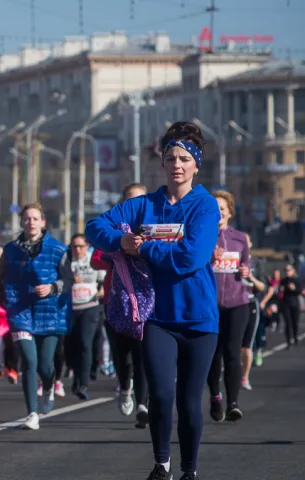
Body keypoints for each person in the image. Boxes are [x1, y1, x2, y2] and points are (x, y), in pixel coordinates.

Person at [86, 121, 220, 480]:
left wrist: (146, 247)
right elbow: (94, 228)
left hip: (198, 319)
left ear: (196, 165)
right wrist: (122, 242)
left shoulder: (205, 207)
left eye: (184, 159)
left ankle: (189, 470)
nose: (177, 164)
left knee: (190, 402)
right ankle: (162, 466)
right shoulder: (144, 205)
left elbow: (191, 257)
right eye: (170, 157)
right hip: (157, 317)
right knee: (161, 395)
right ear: (161, 162)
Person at [0, 203, 72, 431]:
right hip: (21, 311)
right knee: (29, 361)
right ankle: (31, 413)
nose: (31, 223)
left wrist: (52, 288)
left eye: (35, 219)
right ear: (21, 222)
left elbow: (68, 280)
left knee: (45, 365)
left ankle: (49, 384)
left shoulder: (58, 249)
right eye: (27, 219)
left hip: (50, 313)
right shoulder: (10, 250)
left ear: (43, 222)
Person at [91, 182, 150, 428]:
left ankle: (143, 405)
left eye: (140, 200)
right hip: (116, 301)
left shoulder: (153, 228)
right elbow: (95, 260)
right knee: (121, 355)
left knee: (142, 356)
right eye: (130, 200)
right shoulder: (113, 229)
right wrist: (119, 250)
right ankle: (125, 387)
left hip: (146, 301)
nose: (135, 205)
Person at [206, 190, 251, 423]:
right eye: (214, 209)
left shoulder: (240, 238)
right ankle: (215, 396)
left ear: (230, 213)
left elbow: (247, 267)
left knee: (233, 353)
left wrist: (246, 271)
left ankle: (233, 402)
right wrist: (210, 259)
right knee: (214, 355)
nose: (219, 213)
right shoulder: (202, 236)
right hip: (209, 305)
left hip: (237, 302)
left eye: (222, 209)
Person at [67, 233, 106, 400]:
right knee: (70, 345)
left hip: (91, 306)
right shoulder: (67, 260)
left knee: (84, 343)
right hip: (71, 307)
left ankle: (83, 383)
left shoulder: (92, 259)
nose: (77, 250)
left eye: (80, 246)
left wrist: (101, 292)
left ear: (87, 246)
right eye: (74, 246)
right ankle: (75, 378)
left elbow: (103, 281)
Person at [239, 234, 266, 391]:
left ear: (250, 243)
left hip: (250, 303)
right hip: (234, 304)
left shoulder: (256, 263)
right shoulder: (231, 257)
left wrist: (250, 277)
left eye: (246, 240)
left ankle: (244, 377)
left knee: (246, 346)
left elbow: (263, 287)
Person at [279, 263, 301, 349]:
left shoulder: (297, 280)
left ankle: (295, 336)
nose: (287, 272)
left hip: (294, 303)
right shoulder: (283, 281)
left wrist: (294, 289)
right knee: (287, 323)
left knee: (295, 322)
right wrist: (281, 290)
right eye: (286, 270)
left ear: (293, 271)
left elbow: (300, 291)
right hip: (285, 304)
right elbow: (280, 293)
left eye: (289, 270)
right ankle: (288, 341)